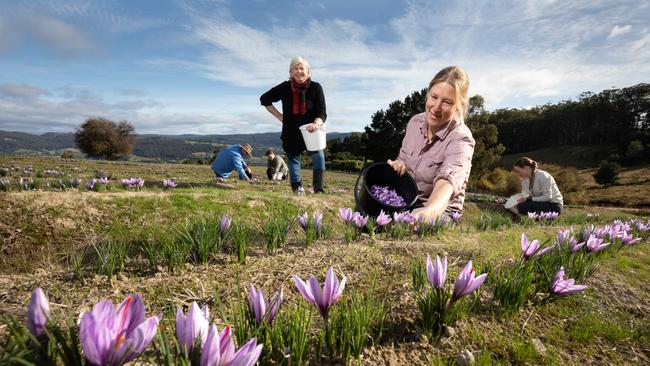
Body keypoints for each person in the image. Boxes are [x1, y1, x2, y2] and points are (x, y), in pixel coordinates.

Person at [387, 66, 475, 222]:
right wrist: (398, 165)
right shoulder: (415, 122)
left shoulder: (461, 139)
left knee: (415, 226)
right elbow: (403, 160)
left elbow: (445, 185)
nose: (436, 107)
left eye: (447, 102)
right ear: (428, 94)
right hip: (408, 198)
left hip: (440, 209)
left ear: (458, 105)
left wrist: (426, 213)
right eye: (434, 97)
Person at [260, 56, 327, 193]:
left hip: (311, 131)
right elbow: (264, 99)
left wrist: (316, 123)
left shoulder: (316, 87)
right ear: (290, 73)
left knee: (318, 156)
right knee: (294, 160)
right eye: (295, 68)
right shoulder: (285, 87)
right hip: (291, 131)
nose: (298, 71)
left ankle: (318, 189)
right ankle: (297, 190)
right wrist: (279, 116)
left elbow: (322, 112)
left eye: (302, 68)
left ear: (308, 72)